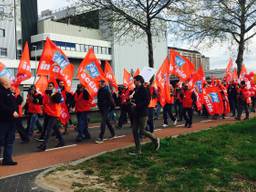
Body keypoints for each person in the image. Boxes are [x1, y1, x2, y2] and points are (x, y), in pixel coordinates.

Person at [130, 75, 160, 155]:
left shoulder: (145, 89)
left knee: (142, 131)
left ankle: (155, 139)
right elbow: (136, 99)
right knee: (134, 131)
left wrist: (137, 105)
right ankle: (138, 150)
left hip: (143, 113)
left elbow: (147, 101)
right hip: (136, 113)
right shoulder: (136, 89)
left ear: (139, 81)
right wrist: (132, 100)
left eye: (135, 80)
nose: (134, 82)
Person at [37, 82, 65, 151]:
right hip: (48, 114)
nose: (49, 87)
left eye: (51, 86)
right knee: (56, 129)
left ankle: (44, 145)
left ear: (53, 87)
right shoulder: (45, 94)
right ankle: (62, 141)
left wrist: (52, 94)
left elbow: (58, 100)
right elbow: (43, 103)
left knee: (48, 130)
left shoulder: (57, 93)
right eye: (48, 86)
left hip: (54, 114)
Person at [0, 77, 19, 165]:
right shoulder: (1, 92)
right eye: (8, 80)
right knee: (1, 140)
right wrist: (12, 111)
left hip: (12, 120)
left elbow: (15, 103)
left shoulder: (9, 91)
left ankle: (7, 160)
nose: (10, 81)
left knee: (10, 140)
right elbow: (1, 106)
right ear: (4, 82)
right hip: (3, 121)